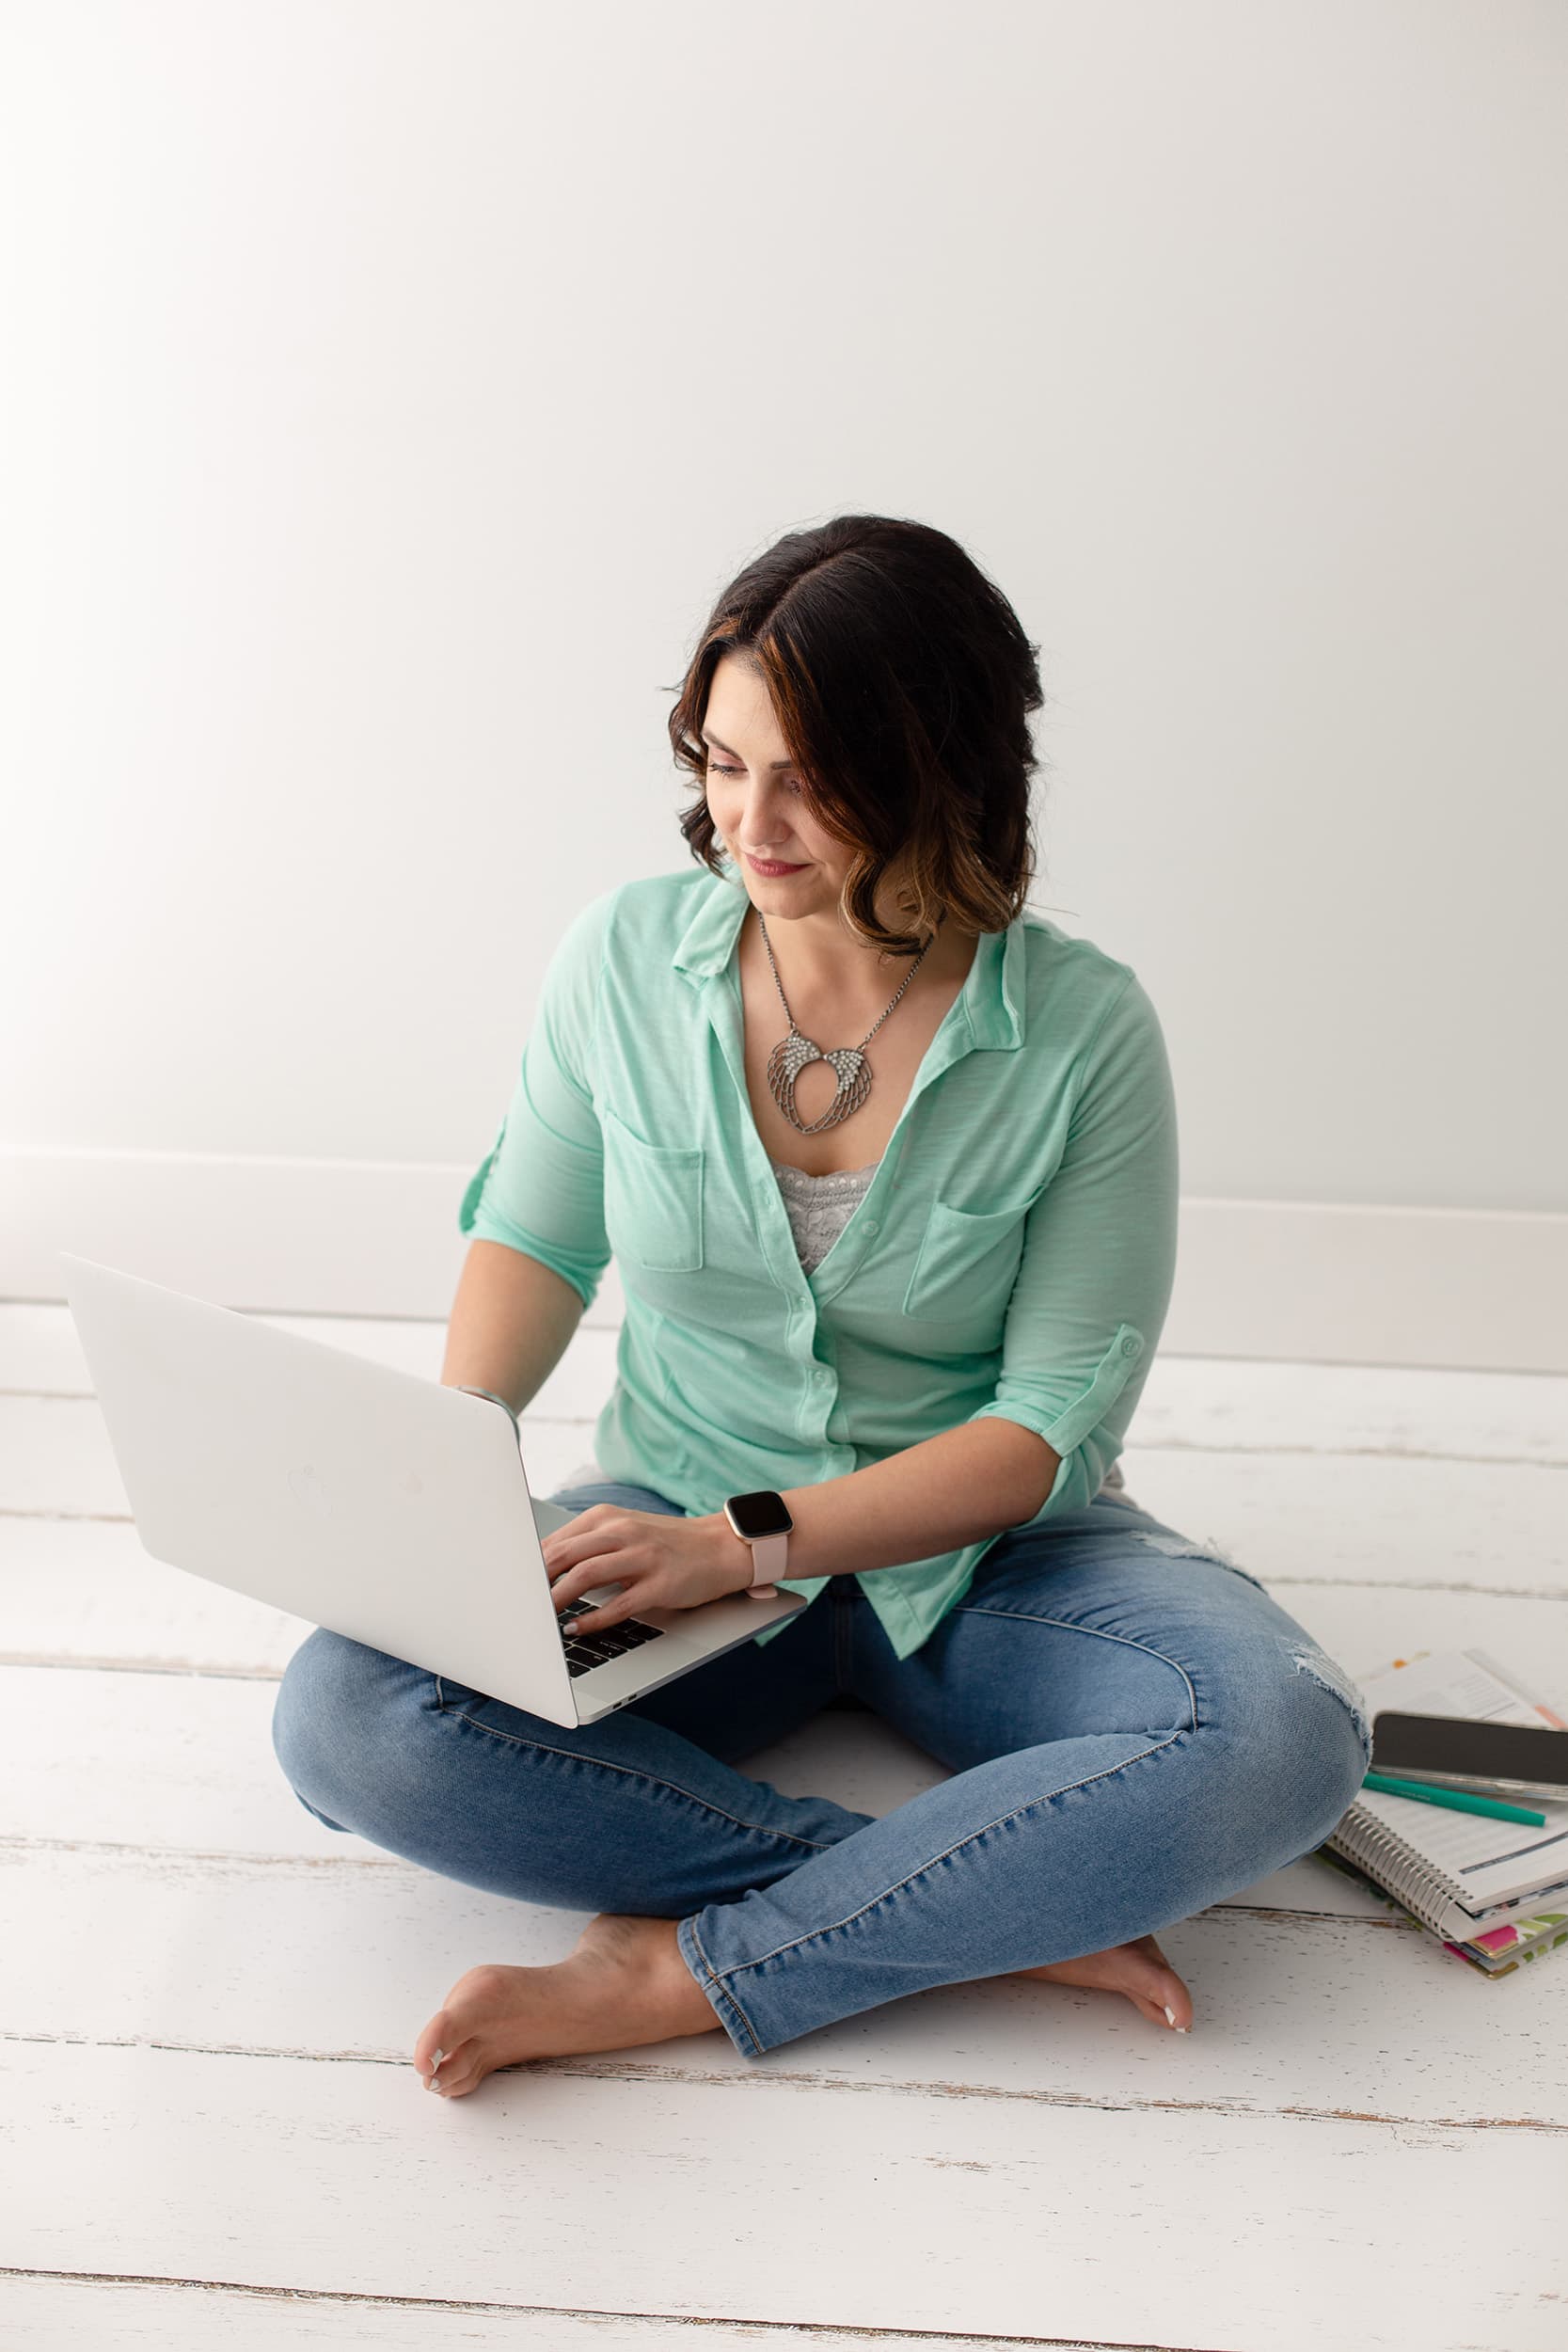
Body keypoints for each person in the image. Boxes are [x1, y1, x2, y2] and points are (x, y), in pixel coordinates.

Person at [271, 515, 1372, 2102]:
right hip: (668, 1516)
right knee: (349, 1716)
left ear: (940, 762)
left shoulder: (1084, 1030)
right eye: (722, 766)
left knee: (1282, 1740)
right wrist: (452, 1466)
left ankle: (687, 1964)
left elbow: (1051, 1426)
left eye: (807, 775)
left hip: (991, 1561)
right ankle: (975, 1905)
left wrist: (750, 1543)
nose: (748, 823)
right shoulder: (619, 960)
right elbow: (535, 1238)